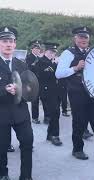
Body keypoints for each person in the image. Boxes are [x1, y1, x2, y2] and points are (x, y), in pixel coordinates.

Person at [55, 26, 94, 160]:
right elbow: (58, 74)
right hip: (76, 92)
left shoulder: (93, 52)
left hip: (91, 92)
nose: (83, 39)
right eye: (81, 37)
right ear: (75, 38)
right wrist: (75, 68)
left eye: (86, 37)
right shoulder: (69, 53)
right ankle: (77, 149)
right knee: (79, 122)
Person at [0, 26, 34, 180]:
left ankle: (26, 176)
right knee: (1, 148)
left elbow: (30, 87)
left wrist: (25, 89)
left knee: (27, 143)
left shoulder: (21, 65)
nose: (8, 44)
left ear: (15, 44)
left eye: (11, 41)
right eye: (4, 41)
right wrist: (4, 90)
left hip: (21, 112)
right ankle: (3, 174)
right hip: (1, 113)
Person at [37, 42, 63, 146]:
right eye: (51, 52)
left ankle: (49, 134)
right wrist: (54, 64)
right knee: (55, 112)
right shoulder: (40, 62)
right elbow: (45, 75)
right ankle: (55, 135)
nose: (53, 54)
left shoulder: (53, 62)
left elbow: (58, 74)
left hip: (55, 90)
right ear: (46, 51)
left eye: (54, 52)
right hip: (46, 91)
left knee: (56, 113)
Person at [25, 40, 46, 124]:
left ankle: (46, 117)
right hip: (33, 81)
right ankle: (34, 117)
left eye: (38, 49)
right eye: (36, 48)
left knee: (44, 99)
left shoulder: (40, 58)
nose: (37, 50)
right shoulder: (29, 57)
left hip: (41, 81)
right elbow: (29, 68)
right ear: (32, 49)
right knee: (35, 101)